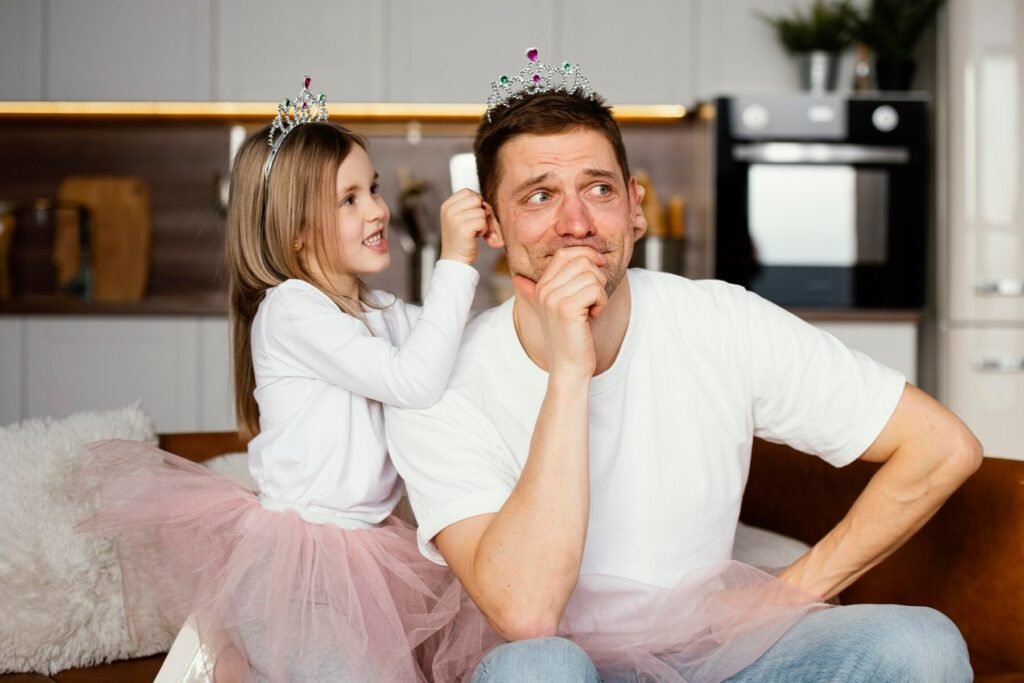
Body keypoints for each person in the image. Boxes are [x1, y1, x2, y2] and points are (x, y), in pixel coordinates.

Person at [385, 50, 983, 681]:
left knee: (920, 641)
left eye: (599, 189)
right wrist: (569, 372)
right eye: (539, 196)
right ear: (494, 227)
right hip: (564, 664)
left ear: (635, 207)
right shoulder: (437, 387)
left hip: (716, 658)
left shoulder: (721, 320)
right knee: (537, 668)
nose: (577, 223)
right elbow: (527, 613)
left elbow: (943, 445)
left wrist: (787, 595)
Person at [80, 77, 490, 682]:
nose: (377, 208)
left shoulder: (378, 309)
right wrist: (454, 263)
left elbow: (462, 345)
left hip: (364, 556)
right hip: (300, 567)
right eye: (348, 199)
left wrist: (534, 296)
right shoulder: (292, 309)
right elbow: (414, 382)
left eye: (371, 188)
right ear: (296, 230)